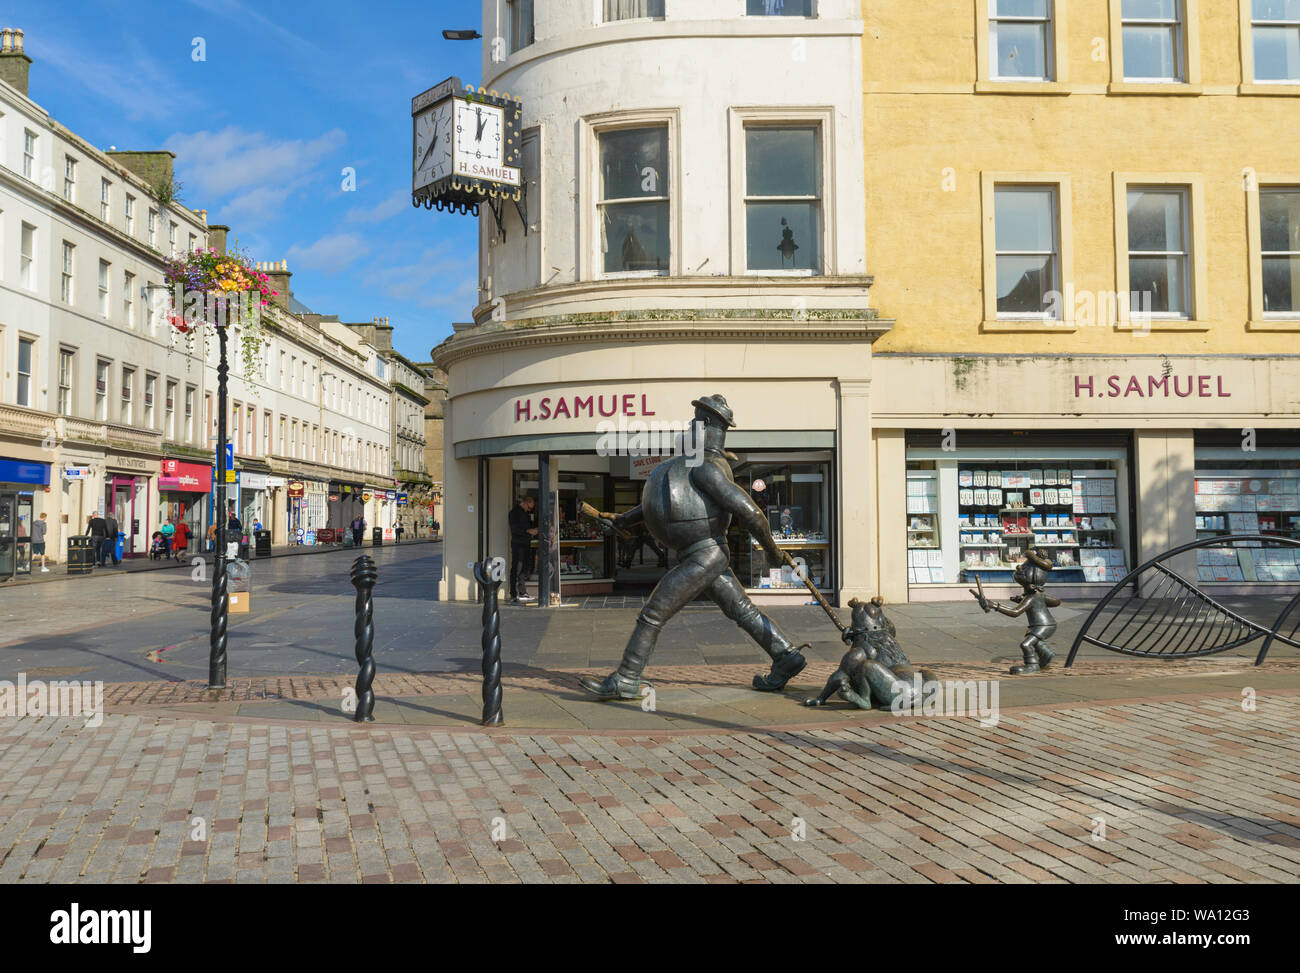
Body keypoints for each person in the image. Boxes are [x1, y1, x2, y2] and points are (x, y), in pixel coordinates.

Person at [580, 395, 809, 700]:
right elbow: (657, 504)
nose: (689, 427)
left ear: (708, 427)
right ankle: (786, 655)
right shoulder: (693, 465)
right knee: (742, 611)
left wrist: (772, 551)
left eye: (695, 423)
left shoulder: (707, 467)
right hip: (701, 554)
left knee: (653, 612)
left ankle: (626, 678)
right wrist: (622, 520)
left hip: (705, 554)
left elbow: (751, 512)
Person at [508, 495, 539, 605]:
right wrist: (528, 531)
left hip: (526, 544)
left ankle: (522, 592)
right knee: (516, 568)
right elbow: (514, 529)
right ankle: (512, 594)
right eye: (529, 508)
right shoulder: (514, 512)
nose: (529, 510)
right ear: (525, 503)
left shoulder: (525, 514)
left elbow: (527, 527)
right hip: (518, 544)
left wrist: (532, 531)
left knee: (523, 569)